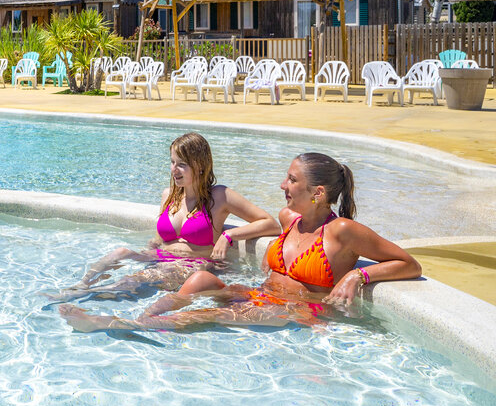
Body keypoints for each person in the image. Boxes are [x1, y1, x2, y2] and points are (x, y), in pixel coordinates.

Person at [58, 153, 422, 332]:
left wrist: (357, 277)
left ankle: (122, 326)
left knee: (212, 313)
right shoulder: (287, 218)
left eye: (291, 180)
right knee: (200, 280)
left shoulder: (342, 230)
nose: (283, 186)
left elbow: (410, 264)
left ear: (318, 192)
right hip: (260, 294)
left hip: (299, 311)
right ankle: (144, 317)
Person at [49, 132, 279, 302]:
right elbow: (162, 237)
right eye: (172, 163)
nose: (174, 170)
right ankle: (80, 286)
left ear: (200, 166)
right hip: (161, 257)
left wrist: (229, 235)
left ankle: (85, 298)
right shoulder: (168, 195)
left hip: (192, 263)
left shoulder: (220, 196)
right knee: (121, 253)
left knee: (135, 281)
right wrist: (154, 244)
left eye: (182, 165)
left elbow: (270, 224)